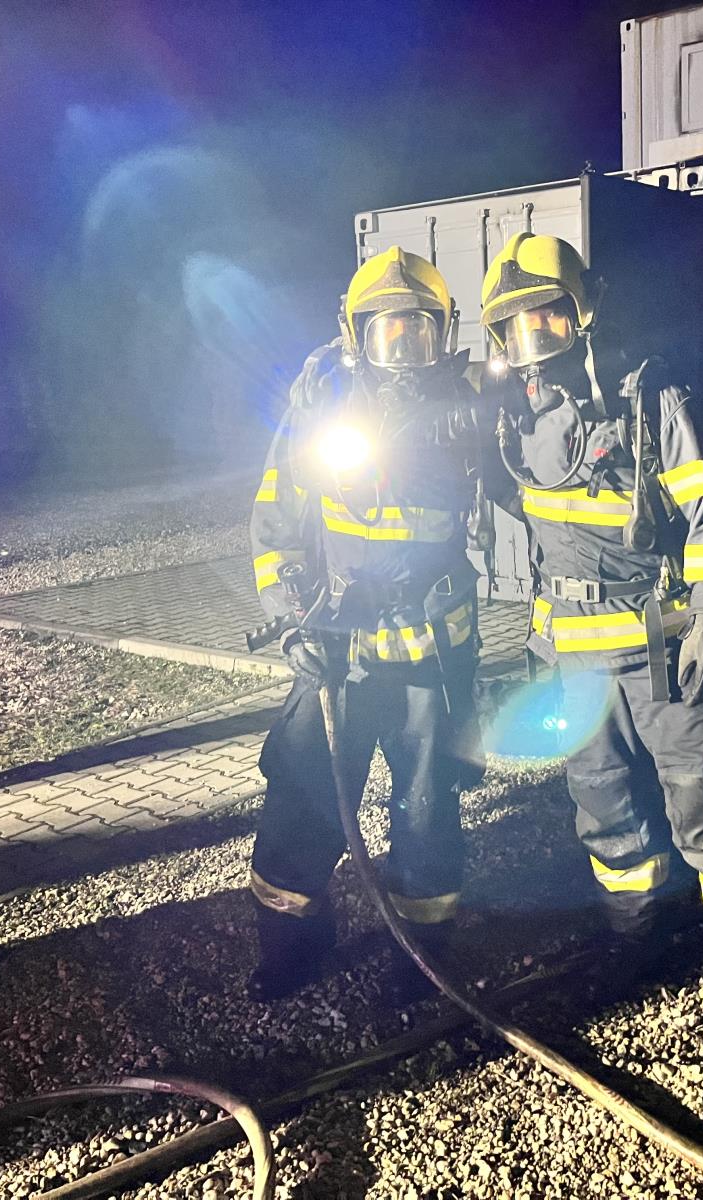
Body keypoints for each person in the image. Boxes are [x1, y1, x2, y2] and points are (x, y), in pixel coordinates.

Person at [479, 233, 703, 1047]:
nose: (533, 334)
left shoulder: (654, 399)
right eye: (515, 324)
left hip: (668, 660)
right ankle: (634, 940)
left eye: (548, 314)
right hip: (575, 664)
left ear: (583, 310)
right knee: (606, 815)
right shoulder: (512, 419)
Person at [245, 247, 490, 1002]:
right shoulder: (318, 409)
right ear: (355, 335)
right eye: (387, 332)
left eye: (417, 331)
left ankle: (421, 957)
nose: (403, 349)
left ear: (443, 332)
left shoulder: (466, 413)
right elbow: (275, 524)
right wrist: (292, 624)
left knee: (427, 810)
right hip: (337, 652)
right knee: (303, 798)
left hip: (430, 657)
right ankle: (292, 943)